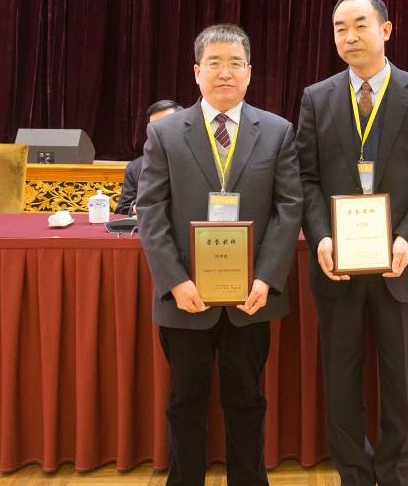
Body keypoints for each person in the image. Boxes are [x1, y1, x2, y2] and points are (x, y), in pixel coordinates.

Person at [136, 24, 302, 486]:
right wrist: (174, 281)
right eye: (214, 63)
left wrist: (267, 278)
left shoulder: (277, 131)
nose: (225, 72)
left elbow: (289, 208)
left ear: (249, 72)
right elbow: (150, 210)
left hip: (251, 295)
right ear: (196, 72)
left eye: (235, 63)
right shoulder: (166, 133)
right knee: (184, 402)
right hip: (186, 295)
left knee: (247, 400)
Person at [296, 0, 408, 486]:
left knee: (400, 380)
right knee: (341, 379)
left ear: (385, 30)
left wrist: (407, 238)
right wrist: (320, 236)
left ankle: (397, 473)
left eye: (360, 25)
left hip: (401, 264)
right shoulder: (317, 98)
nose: (349, 36)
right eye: (340, 28)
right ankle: (354, 474)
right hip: (336, 264)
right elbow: (306, 179)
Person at [117, 99, 182, 215]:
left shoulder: (197, 159)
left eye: (166, 124)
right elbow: (123, 208)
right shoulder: (135, 167)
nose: (160, 130)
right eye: (155, 126)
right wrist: (139, 207)